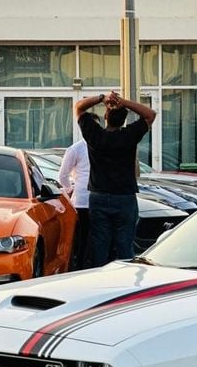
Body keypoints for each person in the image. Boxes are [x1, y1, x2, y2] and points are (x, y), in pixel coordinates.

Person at [75, 91, 156, 267]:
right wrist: (124, 102)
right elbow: (150, 114)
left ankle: (98, 278)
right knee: (125, 244)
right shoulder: (129, 135)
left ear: (105, 116)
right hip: (125, 197)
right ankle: (124, 280)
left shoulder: (95, 135)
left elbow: (79, 107)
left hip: (99, 196)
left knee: (100, 244)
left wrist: (101, 98)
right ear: (124, 119)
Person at [57, 135, 92, 270]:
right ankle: (83, 265)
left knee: (83, 237)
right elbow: (62, 175)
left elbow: (63, 175)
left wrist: (69, 188)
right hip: (85, 200)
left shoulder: (78, 149)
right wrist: (69, 188)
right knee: (85, 236)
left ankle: (82, 265)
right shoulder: (76, 149)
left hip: (85, 198)